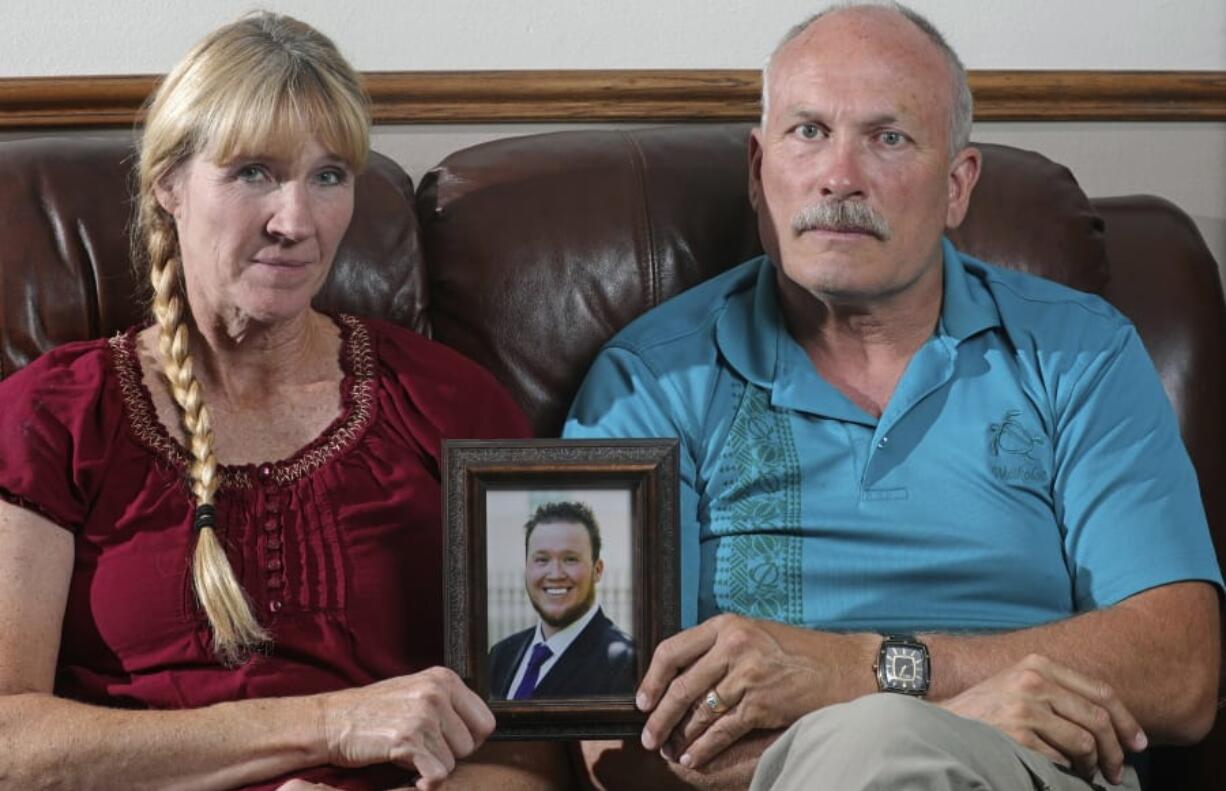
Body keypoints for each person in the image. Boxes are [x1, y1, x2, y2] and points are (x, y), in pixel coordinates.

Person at [564, 3, 1222, 789]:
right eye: (808, 131)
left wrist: (860, 668)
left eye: (888, 137)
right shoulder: (646, 382)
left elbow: (1182, 668)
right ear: (756, 168)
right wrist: (926, 713)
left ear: (956, 186)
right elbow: (605, 741)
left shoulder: (1079, 352)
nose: (839, 176)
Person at [0, 13, 568, 791]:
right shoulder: (55, 416)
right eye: (253, 173)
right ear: (167, 182)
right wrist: (329, 721)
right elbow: (9, 742)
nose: (296, 222)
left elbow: (536, 745)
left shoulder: (447, 401)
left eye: (329, 176)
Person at [489, 501, 636, 699]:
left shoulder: (626, 663)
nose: (555, 574)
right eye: (542, 559)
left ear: (597, 570)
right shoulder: (501, 655)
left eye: (570, 559)